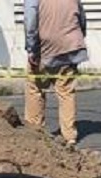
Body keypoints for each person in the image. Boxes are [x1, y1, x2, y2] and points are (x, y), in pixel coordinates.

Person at [23, 0, 87, 148]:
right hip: (70, 47)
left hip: (45, 48)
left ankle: (35, 132)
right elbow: (82, 18)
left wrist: (32, 49)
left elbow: (30, 20)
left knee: (35, 88)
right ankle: (69, 136)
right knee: (66, 92)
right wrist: (78, 38)